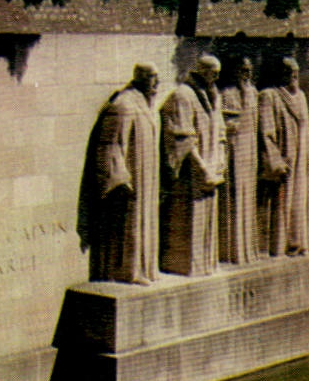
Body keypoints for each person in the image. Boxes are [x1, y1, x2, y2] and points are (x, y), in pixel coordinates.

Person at [77, 64, 162, 284]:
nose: (157, 83)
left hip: (148, 177)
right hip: (131, 181)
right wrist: (119, 178)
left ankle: (144, 268)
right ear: (141, 79)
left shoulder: (147, 105)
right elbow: (109, 145)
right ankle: (127, 271)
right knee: (130, 223)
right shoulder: (123, 104)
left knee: (144, 220)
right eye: (153, 78)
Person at [160, 55, 227, 277]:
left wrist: (220, 160)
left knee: (207, 222)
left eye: (218, 72)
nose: (216, 76)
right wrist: (200, 167)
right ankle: (185, 265)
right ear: (201, 70)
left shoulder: (214, 95)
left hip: (210, 170)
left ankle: (205, 264)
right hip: (191, 172)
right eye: (212, 72)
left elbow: (220, 131)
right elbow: (182, 137)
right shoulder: (183, 95)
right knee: (188, 219)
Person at [259, 58, 309, 257]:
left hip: (300, 159)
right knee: (282, 200)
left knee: (299, 199)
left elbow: (306, 129)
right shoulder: (269, 96)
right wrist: (276, 160)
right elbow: (266, 132)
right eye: (290, 72)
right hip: (284, 159)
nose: (294, 76)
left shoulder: (301, 97)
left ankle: (298, 242)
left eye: (296, 72)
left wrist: (308, 154)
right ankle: (279, 246)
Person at [218, 58, 262, 267]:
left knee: (248, 197)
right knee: (234, 197)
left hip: (250, 151)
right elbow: (222, 123)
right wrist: (229, 125)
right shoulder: (226, 94)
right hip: (234, 150)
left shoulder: (253, 93)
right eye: (243, 70)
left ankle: (248, 248)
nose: (247, 74)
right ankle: (231, 249)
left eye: (250, 70)